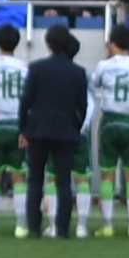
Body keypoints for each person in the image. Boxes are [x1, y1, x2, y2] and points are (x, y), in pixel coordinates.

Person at [21, 23, 92, 239]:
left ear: (48, 44)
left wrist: (23, 129)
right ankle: (62, 228)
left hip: (38, 130)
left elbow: (26, 101)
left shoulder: (36, 68)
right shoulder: (78, 72)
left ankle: (33, 226)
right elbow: (83, 105)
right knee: (63, 182)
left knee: (35, 179)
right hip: (66, 131)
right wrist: (75, 127)